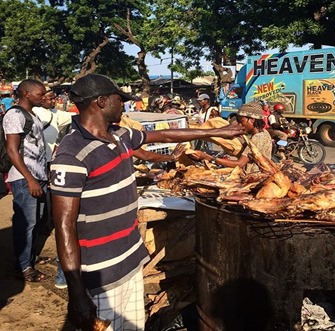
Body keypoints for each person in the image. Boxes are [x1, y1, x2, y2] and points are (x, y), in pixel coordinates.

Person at [49, 74, 245, 331]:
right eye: (120, 100)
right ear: (101, 101)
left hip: (129, 258)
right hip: (100, 272)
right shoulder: (71, 153)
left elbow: (165, 135)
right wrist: (76, 292)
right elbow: (64, 225)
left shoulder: (119, 135)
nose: (125, 106)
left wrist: (215, 132)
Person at [2, 79, 50, 282]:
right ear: (26, 94)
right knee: (26, 224)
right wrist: (30, 180)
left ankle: (28, 258)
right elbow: (12, 150)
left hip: (38, 176)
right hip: (24, 178)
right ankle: (23, 268)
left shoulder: (32, 115)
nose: (44, 96)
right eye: (40, 94)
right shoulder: (14, 115)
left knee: (36, 221)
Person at [32, 88, 74, 289]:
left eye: (54, 97)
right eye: (49, 98)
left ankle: (31, 255)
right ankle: (26, 262)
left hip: (49, 166)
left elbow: (76, 115)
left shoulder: (57, 114)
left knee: (48, 210)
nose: (54, 100)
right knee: (36, 216)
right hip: (34, 169)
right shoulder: (36, 114)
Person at [189, 101, 273, 173]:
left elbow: (240, 164)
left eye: (242, 121)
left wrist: (209, 158)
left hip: (255, 178)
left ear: (252, 120)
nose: (240, 124)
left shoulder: (257, 138)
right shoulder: (265, 133)